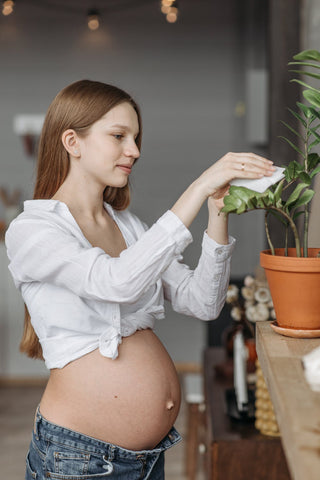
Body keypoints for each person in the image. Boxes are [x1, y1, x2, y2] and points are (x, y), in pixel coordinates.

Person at [5, 80, 275, 480]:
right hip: (80, 458)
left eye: (135, 137)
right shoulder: (33, 230)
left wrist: (218, 209)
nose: (134, 150)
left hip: (146, 459)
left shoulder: (128, 226)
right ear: (72, 142)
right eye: (118, 136)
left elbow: (202, 302)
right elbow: (117, 282)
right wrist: (197, 188)